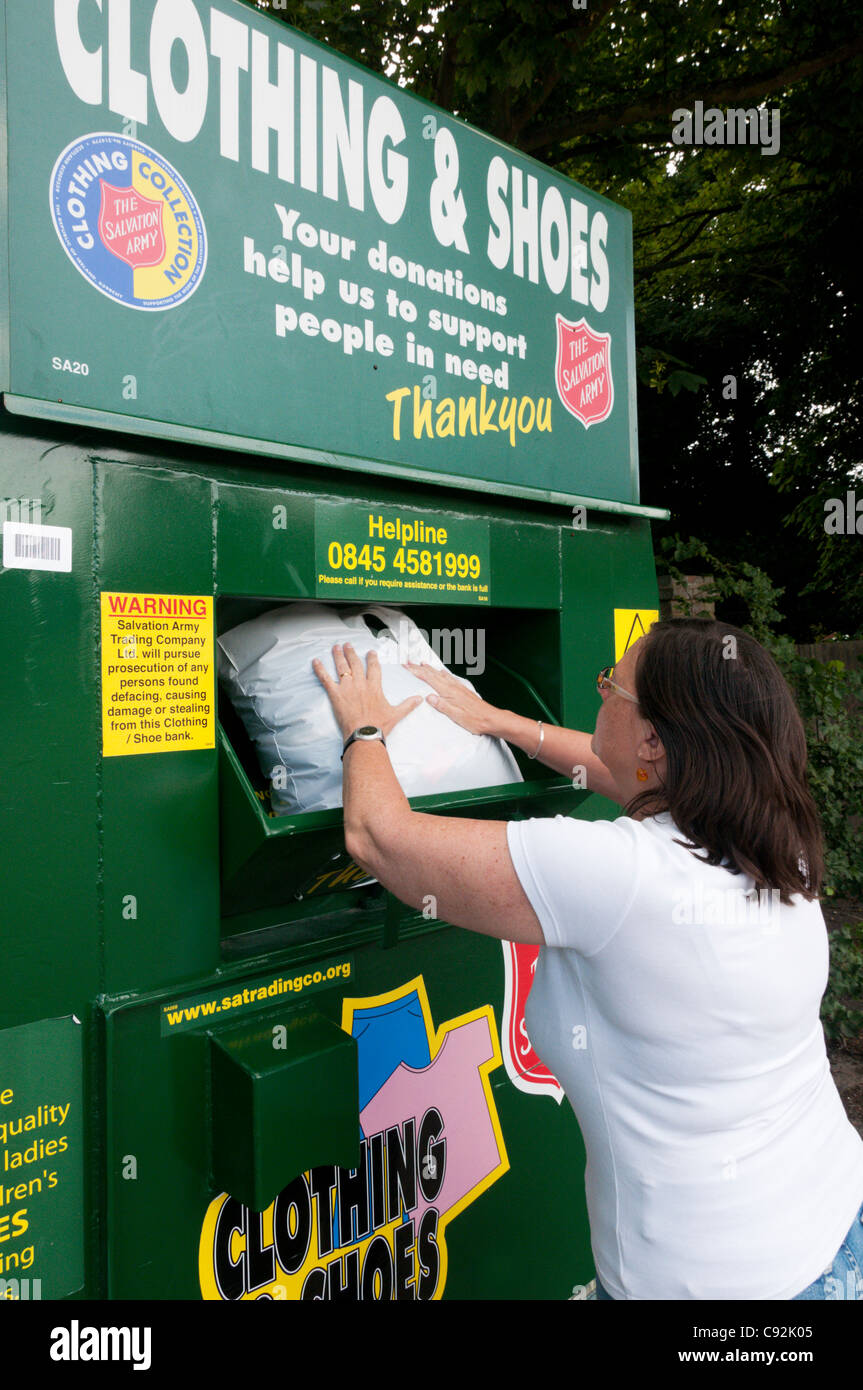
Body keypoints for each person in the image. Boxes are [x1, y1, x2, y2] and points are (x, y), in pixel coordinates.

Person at [313, 617, 863, 1301]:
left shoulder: (616, 873)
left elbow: (379, 839)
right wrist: (499, 722)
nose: (598, 689)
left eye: (612, 686)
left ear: (654, 739)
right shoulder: (773, 839)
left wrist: (364, 728)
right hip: (836, 1230)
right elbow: (618, 773)